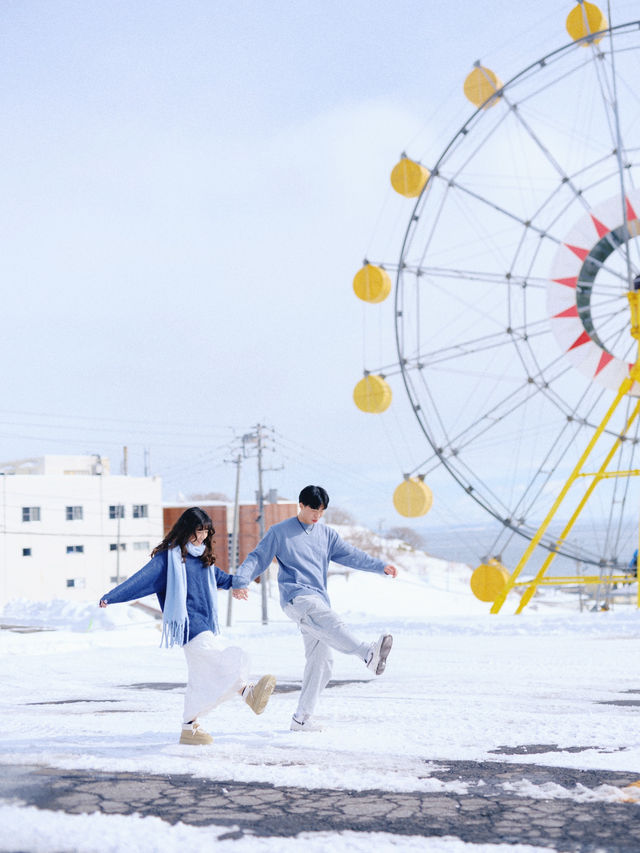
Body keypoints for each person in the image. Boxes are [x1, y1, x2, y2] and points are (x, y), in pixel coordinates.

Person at [99, 507, 276, 746]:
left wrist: (239, 582)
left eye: (205, 532)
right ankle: (247, 693)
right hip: (189, 626)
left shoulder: (202, 558)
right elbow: (140, 580)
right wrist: (112, 596)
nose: (202, 537)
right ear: (186, 529)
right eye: (198, 532)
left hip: (204, 622)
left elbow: (222, 578)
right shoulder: (167, 560)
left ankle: (189, 726)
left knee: (201, 678)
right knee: (217, 660)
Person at [232, 485, 398, 732]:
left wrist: (379, 566)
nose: (317, 515)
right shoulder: (280, 532)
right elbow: (257, 558)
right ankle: (367, 654)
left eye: (321, 511)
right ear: (301, 505)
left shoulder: (326, 535)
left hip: (318, 599)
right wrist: (240, 580)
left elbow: (351, 555)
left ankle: (301, 718)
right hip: (297, 599)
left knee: (322, 663)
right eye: (313, 509)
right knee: (329, 620)